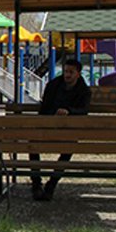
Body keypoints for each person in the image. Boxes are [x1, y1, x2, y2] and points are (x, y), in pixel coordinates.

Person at [30, 58, 91, 201]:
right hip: (49, 126)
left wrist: (68, 111)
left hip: (69, 130)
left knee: (67, 149)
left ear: (78, 74)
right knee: (32, 144)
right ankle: (36, 184)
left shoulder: (84, 91)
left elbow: (84, 110)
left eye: (71, 72)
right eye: (65, 72)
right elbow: (44, 108)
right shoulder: (53, 85)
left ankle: (51, 184)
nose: (67, 75)